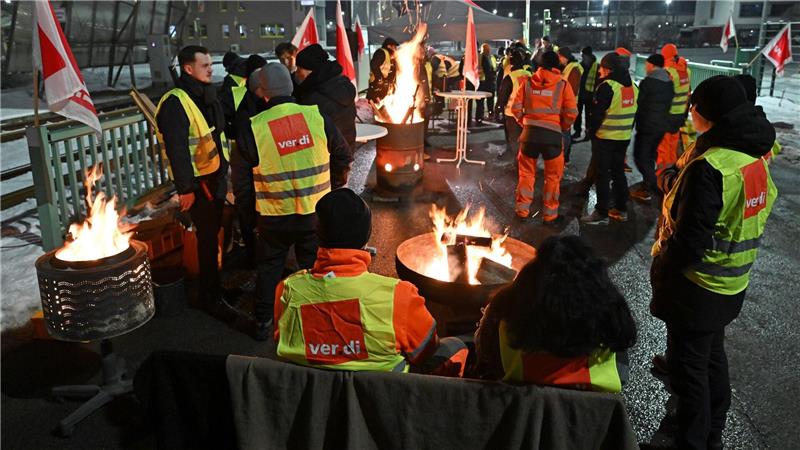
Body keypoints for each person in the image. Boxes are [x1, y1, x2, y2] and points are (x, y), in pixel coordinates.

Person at [650, 75, 777, 450]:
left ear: (708, 113)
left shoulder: (712, 166)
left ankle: (690, 442)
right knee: (711, 359)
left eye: (694, 108)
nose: (690, 114)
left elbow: (690, 241)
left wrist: (663, 271)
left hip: (697, 286)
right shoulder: (752, 156)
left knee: (689, 371)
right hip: (730, 283)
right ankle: (713, 431)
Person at [273, 188, 469, 376]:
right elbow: (426, 351)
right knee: (456, 346)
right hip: (385, 397)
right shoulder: (399, 296)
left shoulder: (287, 290)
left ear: (318, 236)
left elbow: (282, 341)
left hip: (315, 397)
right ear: (366, 239)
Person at [233, 63, 353, 340]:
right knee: (315, 269)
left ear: (263, 94)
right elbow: (344, 156)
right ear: (290, 87)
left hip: (273, 217)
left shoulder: (254, 129)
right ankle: (318, 322)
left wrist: (249, 220)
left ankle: (264, 324)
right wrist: (331, 191)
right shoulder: (316, 117)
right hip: (315, 214)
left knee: (269, 270)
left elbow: (241, 186)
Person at [475, 235, 637, 391]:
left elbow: (485, 354)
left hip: (521, 396)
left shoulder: (506, 310)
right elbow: (622, 353)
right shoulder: (609, 313)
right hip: (591, 403)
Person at [156, 46, 231, 314]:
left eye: (211, 63)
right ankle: (209, 296)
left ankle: (215, 288)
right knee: (207, 239)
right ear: (188, 69)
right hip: (199, 184)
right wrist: (186, 189)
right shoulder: (176, 102)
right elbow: (177, 150)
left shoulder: (204, 94)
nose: (211, 68)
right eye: (205, 65)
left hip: (214, 177)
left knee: (212, 235)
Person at [510, 51, 577, 225]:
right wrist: (562, 126)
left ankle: (522, 211)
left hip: (529, 135)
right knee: (552, 177)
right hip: (552, 136)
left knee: (526, 174)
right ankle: (550, 215)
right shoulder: (562, 84)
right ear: (557, 66)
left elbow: (515, 108)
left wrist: (525, 123)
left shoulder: (527, 83)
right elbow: (571, 112)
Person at [581, 52, 638, 225]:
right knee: (618, 172)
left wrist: (591, 132)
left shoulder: (608, 87)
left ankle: (601, 211)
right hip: (623, 138)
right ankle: (621, 208)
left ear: (609, 69)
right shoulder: (633, 87)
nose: (600, 73)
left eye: (602, 69)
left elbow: (596, 115)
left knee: (602, 175)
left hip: (605, 138)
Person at [294, 44, 357, 152]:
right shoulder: (341, 84)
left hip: (324, 156)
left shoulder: (312, 98)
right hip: (346, 151)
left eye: (299, 68)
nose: (297, 72)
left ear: (310, 70)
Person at [630, 54, 673, 203]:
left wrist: (634, 124)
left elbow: (640, 105)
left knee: (640, 157)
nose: (645, 67)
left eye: (647, 64)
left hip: (647, 126)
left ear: (653, 65)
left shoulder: (648, 82)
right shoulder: (669, 81)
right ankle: (647, 186)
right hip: (661, 126)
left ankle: (657, 188)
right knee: (650, 157)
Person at [657, 43, 692, 177]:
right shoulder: (686, 70)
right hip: (679, 115)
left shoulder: (667, 72)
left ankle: (662, 175)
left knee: (663, 148)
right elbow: (688, 92)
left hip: (667, 115)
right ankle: (672, 172)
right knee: (672, 145)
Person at [495, 47, 531, 155]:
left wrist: (497, 110)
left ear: (511, 64)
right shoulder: (530, 75)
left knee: (514, 138)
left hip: (512, 113)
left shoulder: (510, 77)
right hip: (527, 112)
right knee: (525, 139)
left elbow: (502, 97)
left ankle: (517, 164)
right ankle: (524, 161)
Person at [558, 47, 583, 164]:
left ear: (565, 57)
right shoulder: (568, 67)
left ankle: (565, 157)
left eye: (560, 57)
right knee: (564, 131)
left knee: (565, 131)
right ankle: (563, 155)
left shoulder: (574, 69)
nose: (559, 59)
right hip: (566, 103)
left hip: (568, 104)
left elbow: (572, 90)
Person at [574, 46, 599, 140]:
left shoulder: (597, 66)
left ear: (589, 55)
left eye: (583, 55)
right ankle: (577, 132)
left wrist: (596, 95)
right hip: (580, 94)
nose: (582, 58)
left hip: (590, 95)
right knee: (577, 115)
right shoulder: (580, 65)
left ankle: (588, 133)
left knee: (589, 116)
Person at [367, 37, 398, 106]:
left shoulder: (391, 56)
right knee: (373, 103)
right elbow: (374, 64)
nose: (396, 49)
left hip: (385, 85)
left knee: (384, 104)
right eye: (394, 47)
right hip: (376, 84)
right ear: (389, 46)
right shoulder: (381, 52)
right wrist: (379, 79)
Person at [476, 43, 497, 123]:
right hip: (484, 81)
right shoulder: (482, 57)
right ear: (482, 50)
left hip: (486, 81)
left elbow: (492, 68)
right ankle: (481, 117)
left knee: (488, 100)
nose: (488, 51)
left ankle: (488, 114)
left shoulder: (491, 57)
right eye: (486, 50)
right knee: (481, 101)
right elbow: (487, 70)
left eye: (488, 50)